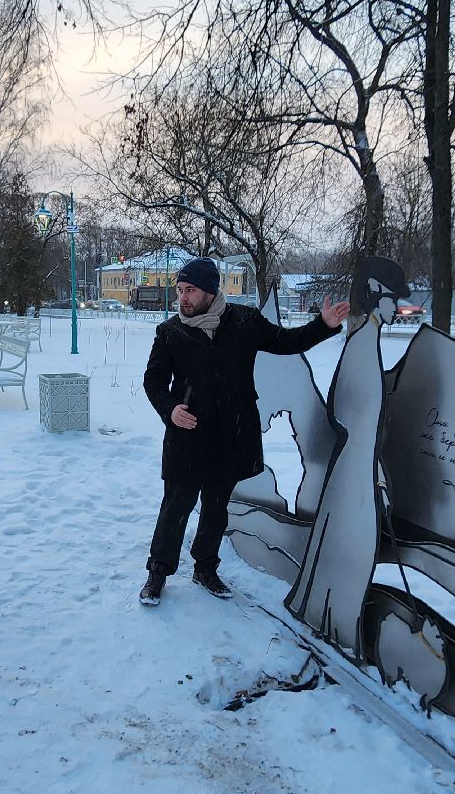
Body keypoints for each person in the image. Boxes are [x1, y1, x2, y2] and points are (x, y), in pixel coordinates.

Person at [141, 257, 350, 606]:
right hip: (188, 435)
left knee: (216, 506)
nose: (183, 298)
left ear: (210, 290)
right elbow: (154, 380)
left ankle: (205, 567)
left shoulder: (245, 321)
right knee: (176, 504)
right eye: (180, 291)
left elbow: (286, 341)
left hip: (231, 435)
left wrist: (323, 326)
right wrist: (170, 409)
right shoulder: (170, 332)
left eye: (190, 290)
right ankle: (158, 571)